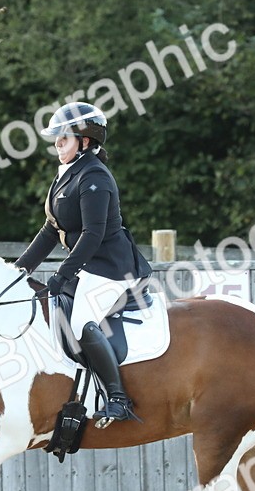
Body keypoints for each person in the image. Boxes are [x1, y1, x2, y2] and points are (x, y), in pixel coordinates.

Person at [15, 101, 153, 428]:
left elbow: (93, 235)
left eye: (63, 139)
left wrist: (61, 276)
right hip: (90, 267)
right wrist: (18, 272)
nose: (57, 145)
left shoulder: (94, 178)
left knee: (81, 322)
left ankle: (118, 399)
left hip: (112, 268)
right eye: (57, 139)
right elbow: (51, 230)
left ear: (85, 141)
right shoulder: (67, 175)